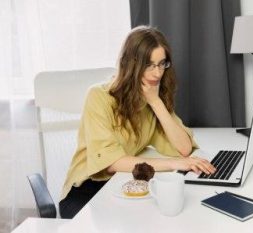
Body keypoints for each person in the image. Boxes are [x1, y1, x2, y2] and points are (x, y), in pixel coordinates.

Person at [58, 25, 216, 219]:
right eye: (149, 65)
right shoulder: (99, 96)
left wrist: (156, 103)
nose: (157, 73)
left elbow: (184, 148)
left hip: (125, 181)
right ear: (131, 64)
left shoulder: (151, 96)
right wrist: (177, 163)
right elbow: (111, 162)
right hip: (87, 189)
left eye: (161, 64)